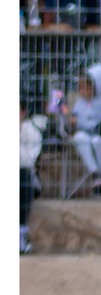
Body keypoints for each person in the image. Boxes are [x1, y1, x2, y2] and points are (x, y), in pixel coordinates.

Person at [62, 63, 101, 194]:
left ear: (97, 87)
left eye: (86, 88)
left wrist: (80, 122)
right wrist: (71, 122)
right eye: (80, 88)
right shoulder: (79, 103)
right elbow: (74, 123)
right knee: (80, 138)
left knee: (96, 142)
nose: (82, 92)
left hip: (100, 135)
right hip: (83, 134)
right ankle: (94, 172)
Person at [20, 105, 43, 253]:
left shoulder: (33, 132)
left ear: (23, 113)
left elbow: (28, 161)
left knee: (22, 178)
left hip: (27, 179)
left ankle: (20, 235)